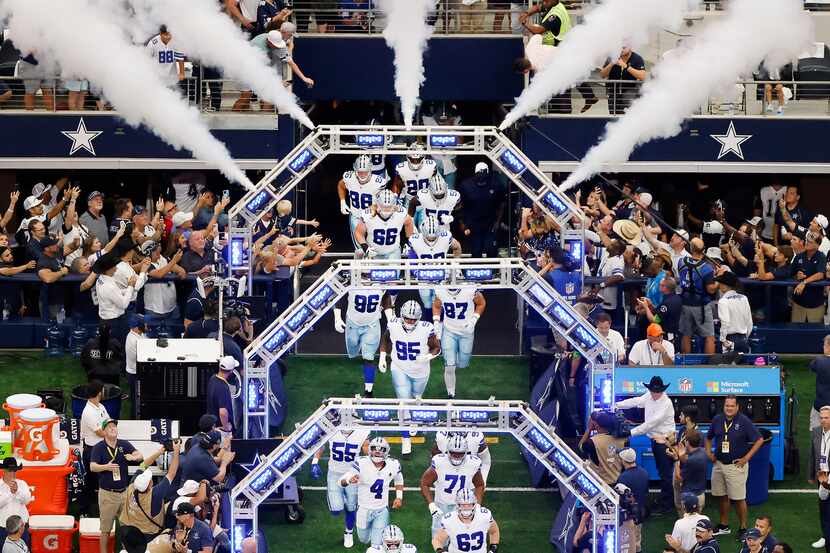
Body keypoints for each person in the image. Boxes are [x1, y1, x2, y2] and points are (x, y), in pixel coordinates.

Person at [378, 301, 441, 455]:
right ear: (401, 315)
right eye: (407, 318)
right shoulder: (393, 324)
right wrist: (382, 357)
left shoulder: (427, 328)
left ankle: (414, 416)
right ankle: (406, 439)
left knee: (416, 398)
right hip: (399, 367)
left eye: (413, 319)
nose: (410, 322)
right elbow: (385, 339)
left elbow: (437, 348)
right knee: (404, 402)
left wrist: (427, 357)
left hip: (420, 370)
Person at [705, 395, 764, 539]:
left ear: (737, 407)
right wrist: (708, 453)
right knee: (721, 495)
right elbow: (708, 437)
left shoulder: (744, 421)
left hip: (735, 466)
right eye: (727, 406)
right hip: (718, 464)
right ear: (724, 406)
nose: (729, 408)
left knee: (739, 498)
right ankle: (724, 525)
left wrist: (746, 458)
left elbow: (759, 440)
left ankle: (743, 528)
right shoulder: (717, 419)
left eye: (732, 406)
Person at [615, 376, 676, 514]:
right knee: (662, 471)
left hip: (664, 441)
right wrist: (617, 405)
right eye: (653, 391)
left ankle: (667, 505)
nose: (654, 394)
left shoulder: (666, 403)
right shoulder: (649, 396)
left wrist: (630, 432)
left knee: (666, 473)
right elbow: (636, 401)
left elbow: (650, 424)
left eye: (657, 391)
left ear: (662, 390)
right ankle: (664, 500)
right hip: (655, 440)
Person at [311, 414, 370, 549]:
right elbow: (321, 445)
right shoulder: (332, 429)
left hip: (353, 474)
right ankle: (340, 499)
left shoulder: (361, 432)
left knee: (351, 508)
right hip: (334, 472)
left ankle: (348, 532)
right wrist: (315, 461)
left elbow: (366, 449)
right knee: (336, 510)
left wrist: (372, 463)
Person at [90, 419, 144, 553]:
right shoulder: (99, 447)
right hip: (108, 494)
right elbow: (92, 467)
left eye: (114, 426)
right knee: (105, 529)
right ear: (104, 431)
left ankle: (125, 550)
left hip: (124, 493)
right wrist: (106, 467)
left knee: (127, 527)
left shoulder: (123, 444)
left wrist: (134, 457)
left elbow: (140, 455)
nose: (113, 428)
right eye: (109, 427)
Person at [339, 438, 404, 549]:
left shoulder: (393, 464)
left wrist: (399, 497)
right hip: (363, 509)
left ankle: (376, 544)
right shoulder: (361, 463)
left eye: (381, 449)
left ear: (387, 451)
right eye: (374, 448)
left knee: (376, 545)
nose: (377, 452)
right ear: (369, 449)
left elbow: (399, 479)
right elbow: (341, 482)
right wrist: (349, 480)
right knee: (363, 539)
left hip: (382, 509)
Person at [118, 439, 180, 552]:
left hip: (129, 531)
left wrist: (160, 452)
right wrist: (176, 452)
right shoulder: (155, 495)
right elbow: (172, 473)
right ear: (150, 484)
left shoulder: (133, 485)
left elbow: (143, 465)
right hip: (148, 535)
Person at [420, 434, 485, 538]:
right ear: (447, 451)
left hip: (464, 505)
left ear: (466, 452)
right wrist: (431, 504)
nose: (456, 456)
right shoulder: (439, 462)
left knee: (462, 537)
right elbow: (424, 483)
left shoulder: (473, 463)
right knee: (439, 538)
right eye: (453, 453)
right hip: (442, 504)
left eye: (460, 453)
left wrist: (477, 505)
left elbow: (480, 485)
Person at [333, 287, 391, 398]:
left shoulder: (380, 281)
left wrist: (390, 318)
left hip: (372, 324)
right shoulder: (353, 280)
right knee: (352, 349)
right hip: (352, 323)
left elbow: (386, 298)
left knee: (369, 358)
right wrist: (337, 318)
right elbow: (339, 296)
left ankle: (369, 392)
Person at [432, 287, 485, 399]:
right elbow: (437, 306)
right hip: (449, 331)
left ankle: (456, 359)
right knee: (450, 366)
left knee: (463, 363)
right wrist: (436, 322)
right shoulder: (440, 290)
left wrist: (474, 320)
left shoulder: (469, 290)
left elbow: (481, 303)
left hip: (467, 332)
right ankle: (451, 393)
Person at [408, 216, 462, 309]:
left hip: (442, 274)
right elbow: (411, 258)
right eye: (428, 237)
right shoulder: (415, 240)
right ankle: (430, 322)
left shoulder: (445, 236)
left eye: (433, 237)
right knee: (427, 305)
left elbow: (457, 247)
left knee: (440, 304)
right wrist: (415, 271)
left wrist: (456, 265)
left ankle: (438, 322)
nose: (431, 239)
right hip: (423, 275)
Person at [338, 155, 389, 250]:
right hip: (356, 215)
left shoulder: (379, 182)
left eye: (365, 172)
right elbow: (341, 185)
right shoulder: (349, 177)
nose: (362, 174)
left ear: (370, 170)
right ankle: (361, 263)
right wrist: (342, 201)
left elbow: (383, 202)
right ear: (355, 170)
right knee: (360, 248)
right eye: (360, 172)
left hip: (372, 217)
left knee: (374, 246)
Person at [678, 238, 718, 354]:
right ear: (703, 250)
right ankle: (708, 365)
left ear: (690, 249)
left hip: (685, 303)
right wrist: (719, 280)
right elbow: (711, 290)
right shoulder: (707, 268)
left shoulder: (681, 261)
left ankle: (685, 363)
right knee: (709, 337)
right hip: (701, 306)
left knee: (686, 335)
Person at [457, 163, 506, 258]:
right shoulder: (466, 186)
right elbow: (459, 205)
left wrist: (497, 222)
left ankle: (494, 272)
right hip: (473, 224)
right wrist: (462, 222)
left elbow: (502, 204)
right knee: (476, 251)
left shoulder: (496, 184)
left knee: (491, 249)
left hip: (490, 223)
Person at [431, 489, 499, 553]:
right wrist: (440, 551)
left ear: (474, 504)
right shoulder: (449, 520)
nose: (466, 508)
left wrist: (493, 548)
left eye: (469, 504)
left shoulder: (484, 516)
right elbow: (437, 540)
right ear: (457, 505)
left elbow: (494, 532)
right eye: (463, 505)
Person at [355, 190, 415, 261]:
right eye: (383, 206)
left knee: (393, 271)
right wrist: (365, 247)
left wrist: (408, 241)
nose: (386, 210)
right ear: (377, 204)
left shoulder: (400, 213)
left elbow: (409, 223)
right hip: (373, 252)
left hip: (393, 251)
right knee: (370, 270)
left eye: (389, 207)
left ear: (394, 205)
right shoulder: (368, 215)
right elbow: (358, 232)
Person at [79, 381, 108, 512]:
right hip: (92, 451)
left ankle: (101, 502)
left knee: (102, 477)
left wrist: (110, 429)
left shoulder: (100, 406)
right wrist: (111, 432)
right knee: (90, 481)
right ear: (98, 393)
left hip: (101, 447)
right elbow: (101, 432)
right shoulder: (88, 412)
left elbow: (109, 422)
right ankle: (86, 509)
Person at [578, 411, 627, 485]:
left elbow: (580, 447)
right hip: (618, 482)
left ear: (596, 426)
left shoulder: (592, 442)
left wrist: (588, 429)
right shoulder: (623, 439)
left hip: (600, 483)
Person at [790, 232, 827, 323]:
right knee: (796, 331)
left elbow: (821, 274)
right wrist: (796, 276)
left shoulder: (821, 257)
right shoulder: (799, 256)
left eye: (810, 242)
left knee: (815, 333)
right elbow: (790, 273)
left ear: (817, 245)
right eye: (807, 241)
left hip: (815, 304)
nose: (807, 243)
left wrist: (804, 282)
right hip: (799, 302)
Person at [600, 46, 647, 114]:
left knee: (628, 118)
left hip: (630, 95)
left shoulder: (637, 58)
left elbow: (643, 76)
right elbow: (602, 75)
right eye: (619, 47)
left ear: (630, 47)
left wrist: (626, 67)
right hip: (614, 95)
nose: (621, 50)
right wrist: (611, 64)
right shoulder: (612, 57)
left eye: (624, 48)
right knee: (614, 118)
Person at [639, 276, 683, 349]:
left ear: (664, 287)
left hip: (668, 336)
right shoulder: (676, 298)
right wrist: (651, 305)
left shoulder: (666, 303)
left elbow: (654, 320)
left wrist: (646, 307)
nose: (659, 286)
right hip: (676, 333)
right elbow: (662, 313)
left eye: (660, 285)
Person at [715, 271, 753, 353]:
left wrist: (722, 339)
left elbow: (725, 322)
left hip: (729, 340)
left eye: (720, 283)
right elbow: (749, 321)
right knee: (743, 364)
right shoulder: (744, 298)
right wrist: (745, 337)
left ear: (725, 285)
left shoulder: (723, 301)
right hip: (743, 340)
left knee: (727, 364)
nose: (719, 285)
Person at [0, 458, 32, 543]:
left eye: (15, 470)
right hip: (3, 528)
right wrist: (10, 493)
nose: (13, 473)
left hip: (21, 528)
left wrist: (17, 491)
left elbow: (27, 500)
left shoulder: (22, 484)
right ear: (4, 470)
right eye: (10, 470)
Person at [675, 429, 707, 512]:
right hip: (700, 494)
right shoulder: (703, 452)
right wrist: (682, 454)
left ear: (687, 442)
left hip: (689, 497)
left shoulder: (692, 460)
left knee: (686, 523)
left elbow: (679, 478)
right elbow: (688, 461)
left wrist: (676, 460)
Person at [207, 356, 237, 438]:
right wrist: (226, 427)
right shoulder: (223, 387)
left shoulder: (212, 379)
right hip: (221, 430)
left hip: (213, 427)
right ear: (231, 371)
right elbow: (223, 412)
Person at [810, 338, 830, 432]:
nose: (823, 347)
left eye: (824, 345)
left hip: (820, 406)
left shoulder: (819, 360)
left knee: (816, 435)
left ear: (828, 346)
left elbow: (812, 366)